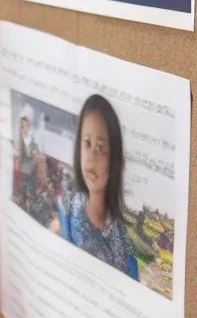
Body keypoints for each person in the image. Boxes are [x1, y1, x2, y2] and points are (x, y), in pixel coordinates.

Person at [52, 94, 137, 279]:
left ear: (114, 159)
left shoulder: (123, 244)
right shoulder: (66, 209)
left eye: (100, 148)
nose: (90, 160)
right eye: (87, 144)